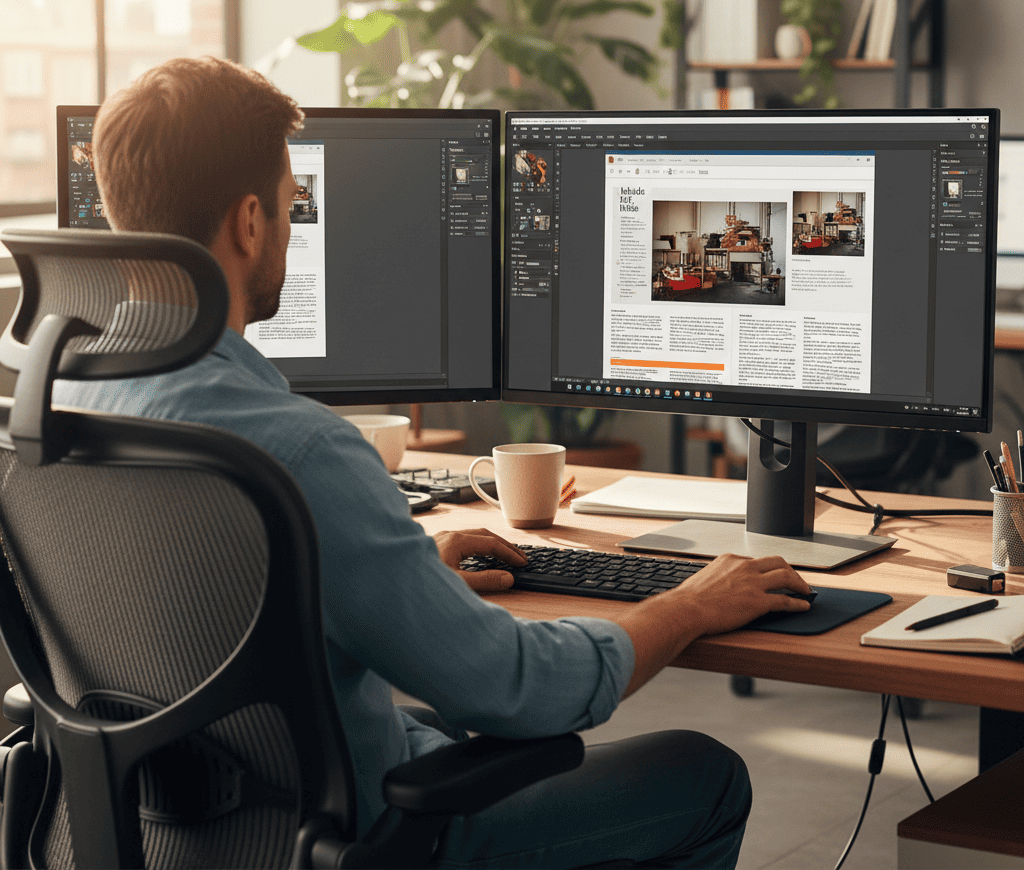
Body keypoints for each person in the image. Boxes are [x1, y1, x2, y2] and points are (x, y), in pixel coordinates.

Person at [56, 56, 813, 869]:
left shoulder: (58, 414)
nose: (285, 227)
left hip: (161, 837)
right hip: (347, 839)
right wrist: (687, 606)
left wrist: (409, 574)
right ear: (248, 223)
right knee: (703, 775)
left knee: (430, 724)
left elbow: (193, 611)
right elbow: (516, 689)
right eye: (287, 208)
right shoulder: (302, 451)